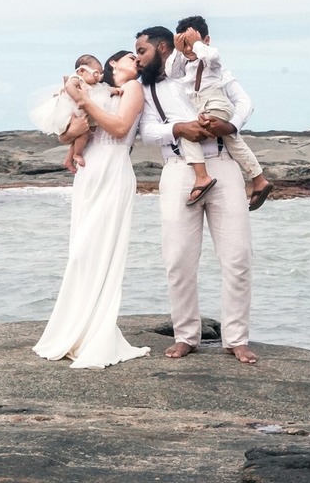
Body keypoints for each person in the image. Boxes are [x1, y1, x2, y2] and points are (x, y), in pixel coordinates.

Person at [134, 25, 258, 364]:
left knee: (237, 257)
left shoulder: (211, 68)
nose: (137, 58)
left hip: (222, 163)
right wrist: (178, 128)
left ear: (161, 48)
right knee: (178, 259)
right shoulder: (147, 89)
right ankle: (186, 335)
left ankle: (236, 338)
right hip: (177, 170)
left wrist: (231, 126)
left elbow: (244, 102)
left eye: (141, 51)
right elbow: (146, 131)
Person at [32, 50, 151, 369]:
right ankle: (75, 330)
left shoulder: (132, 89)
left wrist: (86, 104)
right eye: (130, 58)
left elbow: (120, 129)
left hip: (113, 169)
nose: (137, 62)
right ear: (113, 63)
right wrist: (75, 129)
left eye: (139, 59)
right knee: (80, 251)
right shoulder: (95, 89)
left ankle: (96, 332)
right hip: (89, 173)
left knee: (97, 250)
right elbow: (65, 134)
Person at [167, 15, 273, 211]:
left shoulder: (214, 64)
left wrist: (197, 43)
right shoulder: (185, 66)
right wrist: (178, 50)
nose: (189, 49)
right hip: (200, 108)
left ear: (207, 41)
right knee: (230, 139)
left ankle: (202, 177)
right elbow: (171, 73)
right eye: (185, 45)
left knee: (190, 132)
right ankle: (258, 179)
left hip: (216, 103)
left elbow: (212, 57)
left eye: (191, 44)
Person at [28, 55, 110, 170]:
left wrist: (115, 90)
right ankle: (77, 154)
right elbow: (68, 86)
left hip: (80, 115)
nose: (98, 78)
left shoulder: (93, 85)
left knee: (82, 135)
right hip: (71, 112)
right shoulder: (76, 79)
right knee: (84, 134)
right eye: (96, 73)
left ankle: (68, 160)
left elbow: (105, 90)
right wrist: (79, 99)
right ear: (82, 71)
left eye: (101, 75)